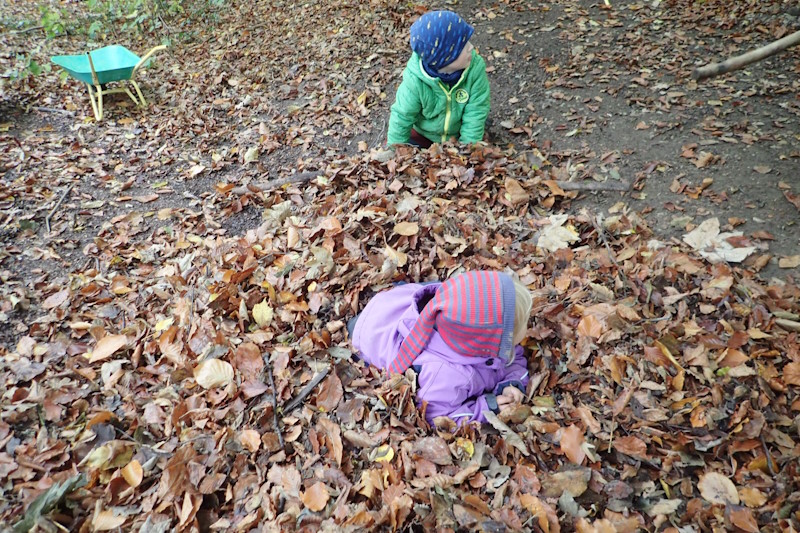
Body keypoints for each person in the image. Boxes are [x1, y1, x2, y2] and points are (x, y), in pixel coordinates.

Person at [349, 271, 532, 426]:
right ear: (494, 341)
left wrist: (511, 383)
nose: (528, 325)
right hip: (369, 333)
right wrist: (487, 407)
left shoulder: (486, 339)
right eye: (524, 323)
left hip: (392, 303)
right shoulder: (446, 375)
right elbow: (439, 418)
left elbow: (513, 359)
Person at [387, 10, 491, 148]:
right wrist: (395, 152)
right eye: (463, 46)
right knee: (405, 145)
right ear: (445, 58)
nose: (471, 47)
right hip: (424, 133)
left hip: (458, 132)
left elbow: (476, 109)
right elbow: (402, 116)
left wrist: (467, 150)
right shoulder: (414, 81)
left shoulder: (475, 69)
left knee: (480, 138)